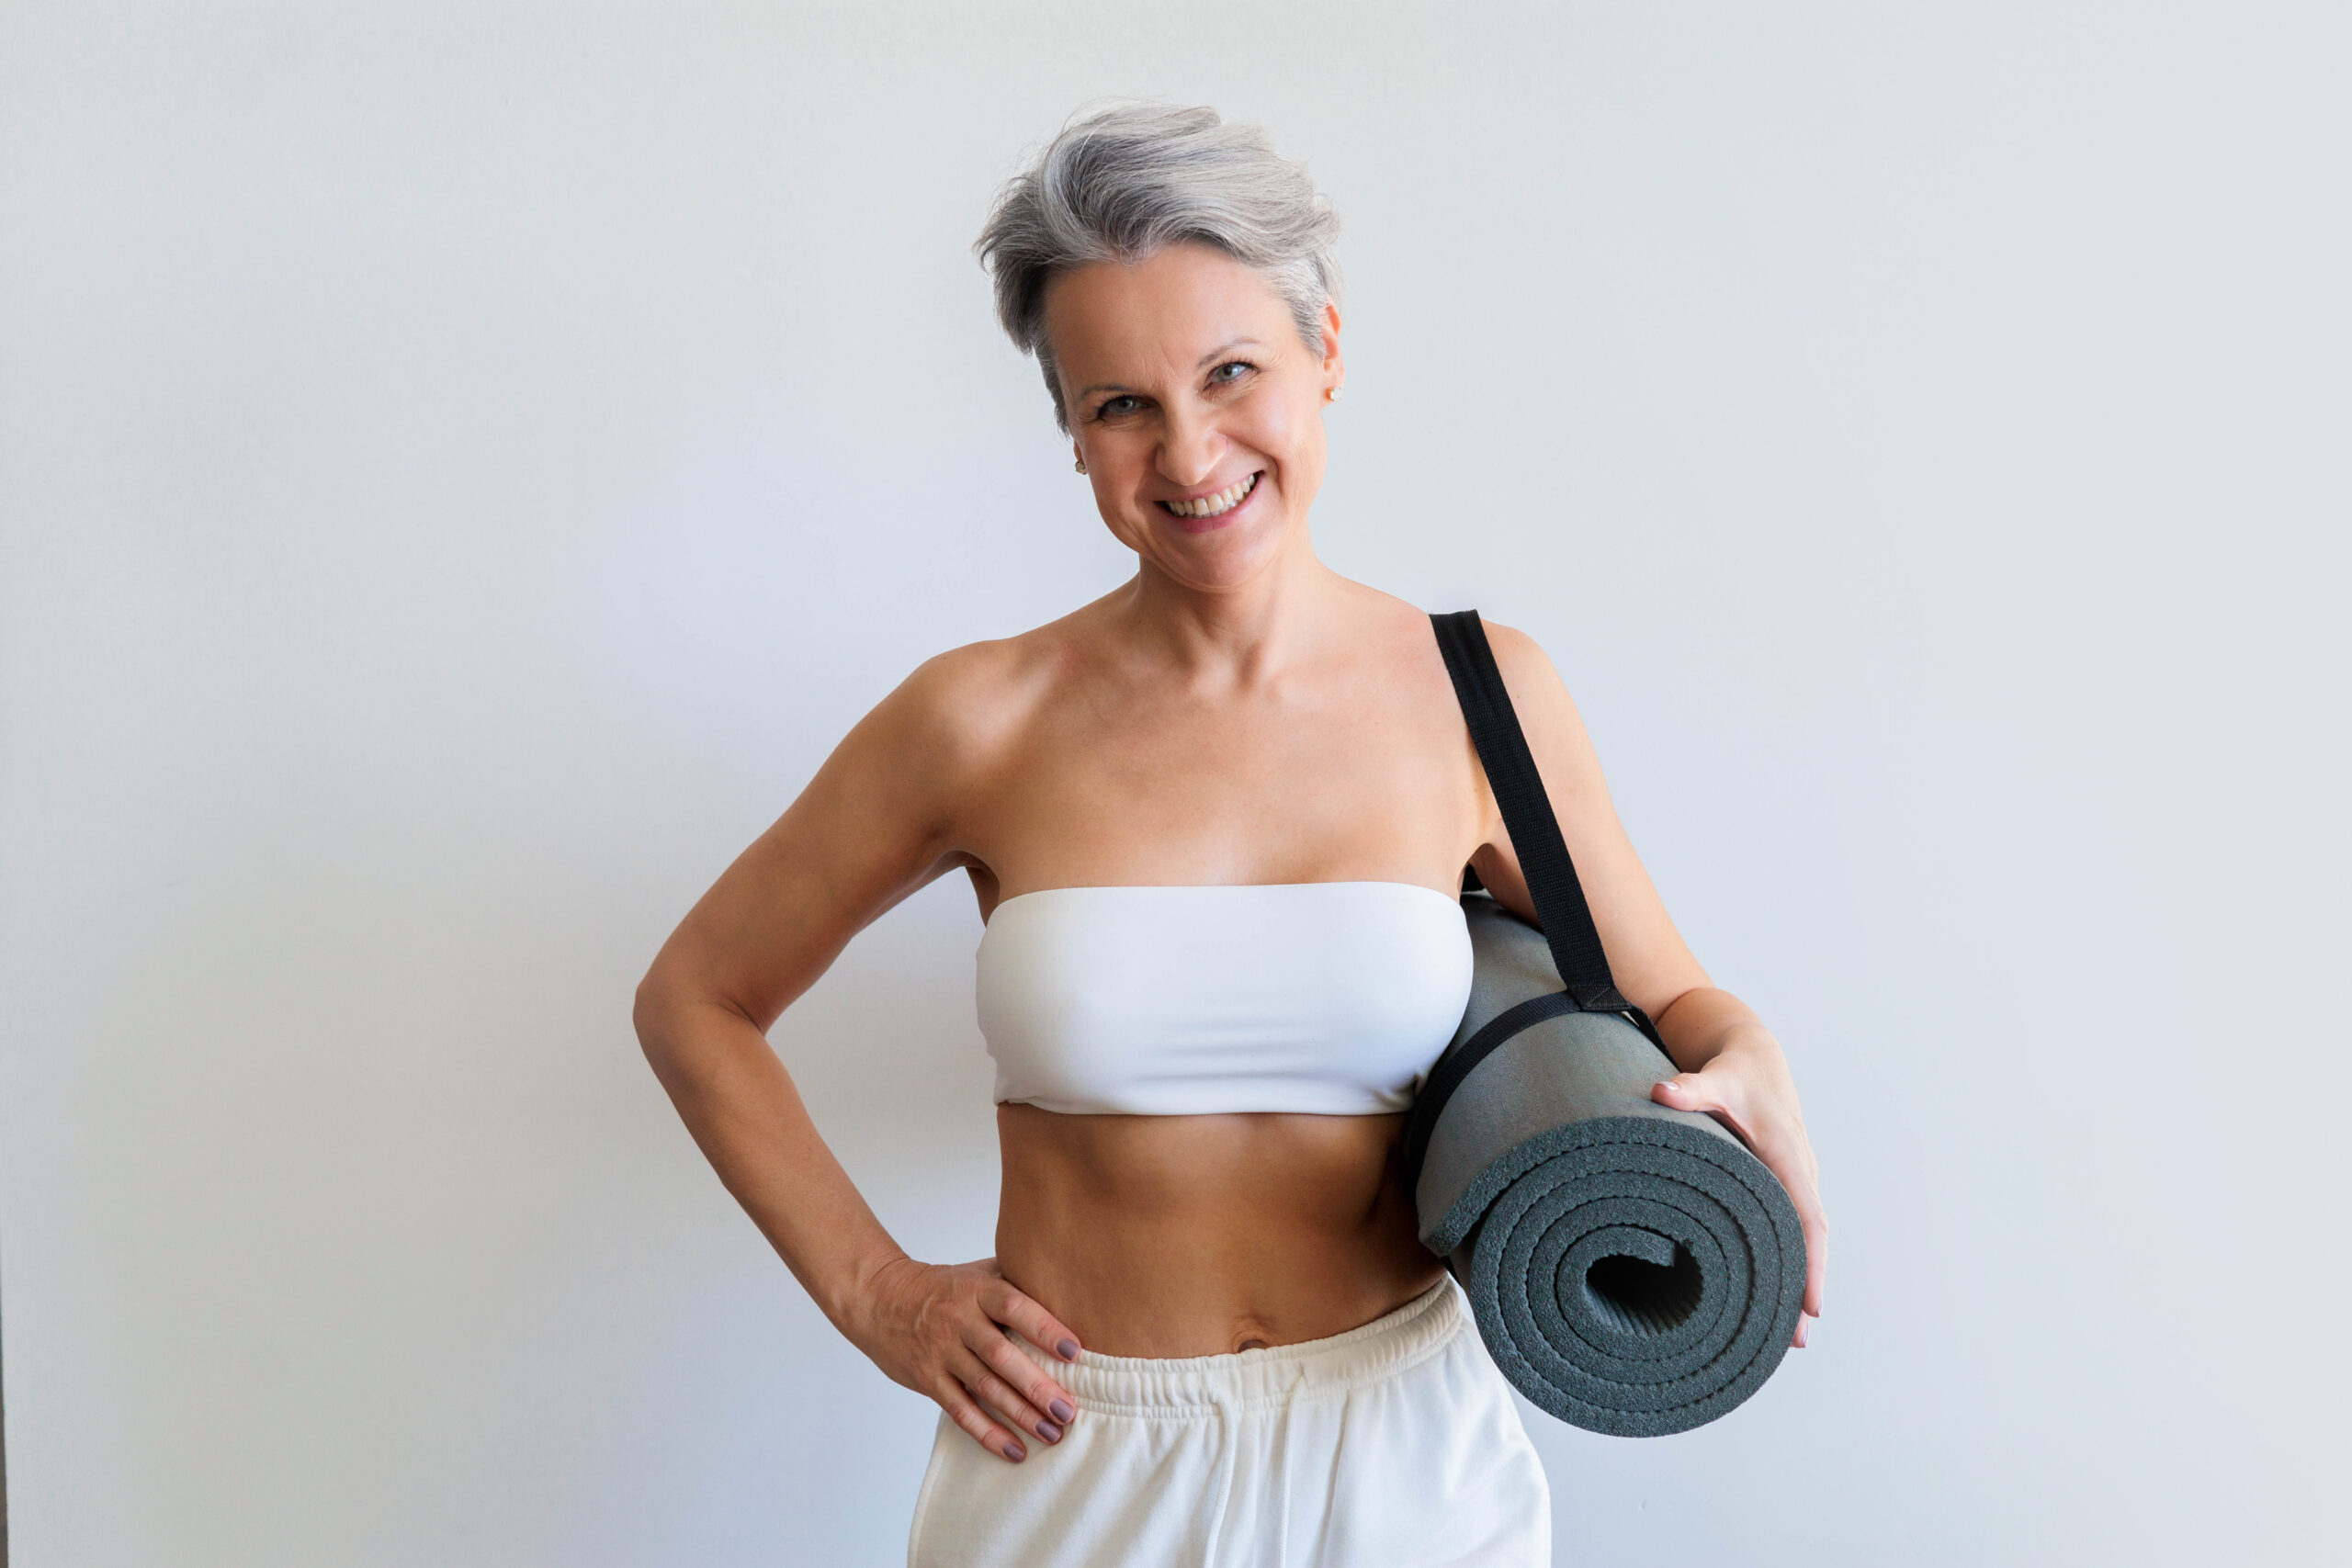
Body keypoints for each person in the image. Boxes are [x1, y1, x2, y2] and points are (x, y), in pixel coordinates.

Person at [633, 101, 1827, 1568]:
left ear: (1327, 356)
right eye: (1120, 404)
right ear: (1070, 435)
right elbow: (698, 998)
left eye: (1231, 371)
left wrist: (1750, 1045)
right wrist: (881, 1295)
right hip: (1078, 1453)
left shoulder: (1481, 696)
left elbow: (1668, 996)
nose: (1188, 452)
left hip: (1406, 1455)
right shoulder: (977, 721)